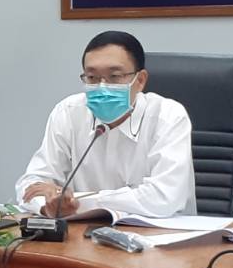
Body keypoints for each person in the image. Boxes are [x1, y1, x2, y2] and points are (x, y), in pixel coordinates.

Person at [15, 30, 194, 219]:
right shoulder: (68, 112)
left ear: (140, 80)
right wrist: (48, 206)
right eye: (92, 77)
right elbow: (31, 184)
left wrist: (77, 202)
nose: (102, 87)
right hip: (82, 233)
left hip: (161, 233)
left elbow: (163, 198)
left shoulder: (168, 116)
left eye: (114, 76)